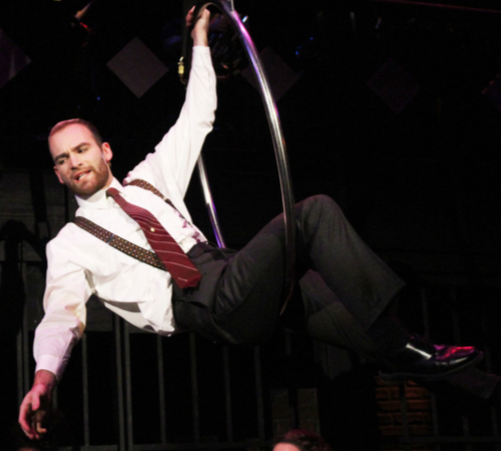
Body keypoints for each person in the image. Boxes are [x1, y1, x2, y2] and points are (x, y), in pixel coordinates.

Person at [18, 7, 484, 441]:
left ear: (105, 151)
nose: (74, 162)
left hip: (230, 269)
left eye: (80, 149)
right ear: (57, 174)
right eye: (62, 159)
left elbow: (197, 116)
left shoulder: (149, 178)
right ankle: (401, 346)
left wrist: (200, 40)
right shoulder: (69, 244)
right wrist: (44, 379)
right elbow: (61, 316)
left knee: (352, 320)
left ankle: (479, 388)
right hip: (204, 300)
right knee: (314, 213)